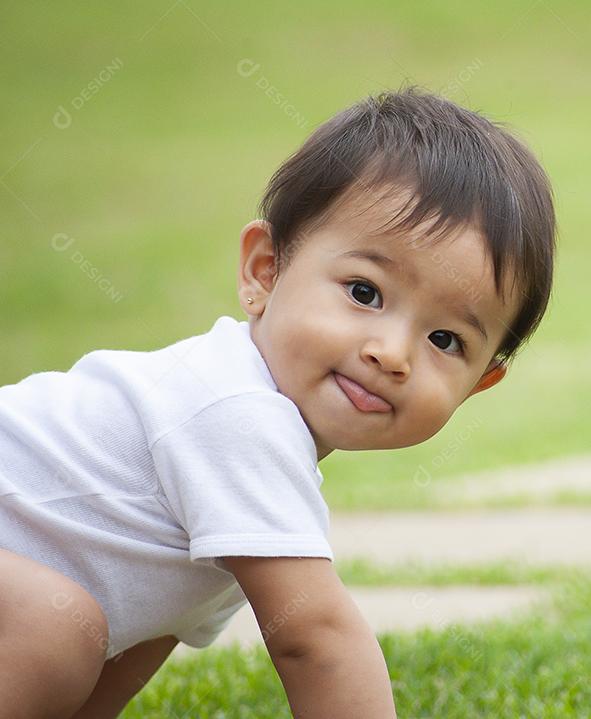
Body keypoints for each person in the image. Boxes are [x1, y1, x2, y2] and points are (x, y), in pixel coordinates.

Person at [0, 85, 557, 718]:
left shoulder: (256, 461)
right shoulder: (234, 411)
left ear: (480, 382)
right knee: (59, 624)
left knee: (73, 628)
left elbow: (145, 624)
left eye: (444, 339)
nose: (392, 353)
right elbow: (316, 640)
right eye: (365, 293)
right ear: (266, 271)